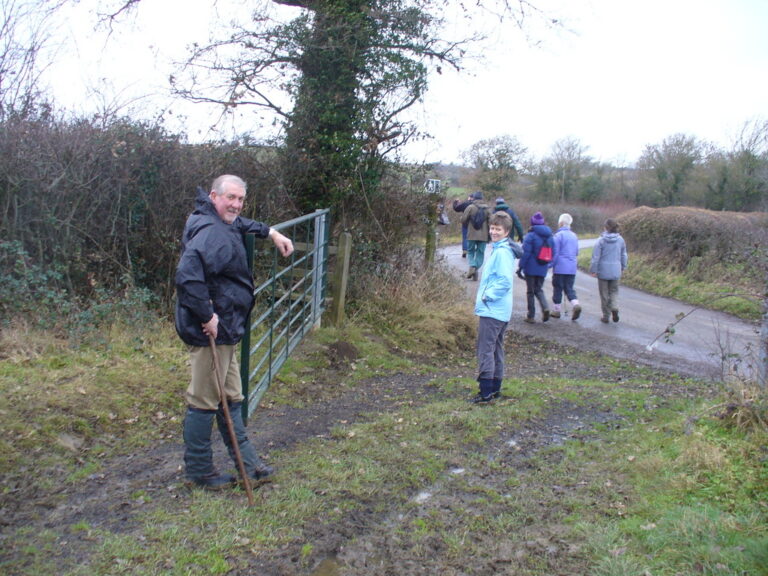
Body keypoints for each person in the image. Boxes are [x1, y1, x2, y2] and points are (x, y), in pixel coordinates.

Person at [175, 174, 294, 490]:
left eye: (240, 199)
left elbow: (239, 223)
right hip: (210, 331)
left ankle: (248, 464)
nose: (236, 205)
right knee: (203, 398)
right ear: (214, 196)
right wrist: (207, 315)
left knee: (232, 396)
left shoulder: (219, 221)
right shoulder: (211, 232)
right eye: (231, 198)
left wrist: (271, 233)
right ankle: (200, 472)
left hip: (225, 326)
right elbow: (187, 276)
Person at [471, 211, 516, 404]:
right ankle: (495, 389)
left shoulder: (502, 253)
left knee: (486, 350)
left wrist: (487, 296)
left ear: (506, 232)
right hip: (498, 310)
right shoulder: (500, 250)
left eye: (498, 229)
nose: (493, 232)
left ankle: (486, 393)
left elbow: (504, 281)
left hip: (493, 309)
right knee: (496, 349)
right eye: (492, 228)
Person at [518, 211, 554, 323]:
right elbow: (553, 252)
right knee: (538, 289)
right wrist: (548, 264)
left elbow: (526, 253)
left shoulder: (530, 236)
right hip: (543, 267)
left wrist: (520, 266)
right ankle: (545, 307)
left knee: (530, 291)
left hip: (530, 268)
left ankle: (531, 316)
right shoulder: (550, 236)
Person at [589, 218, 628, 323]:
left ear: (605, 227)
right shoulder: (621, 240)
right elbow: (624, 255)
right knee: (614, 291)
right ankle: (614, 307)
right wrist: (623, 266)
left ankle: (606, 316)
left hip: (603, 271)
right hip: (616, 270)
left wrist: (593, 269)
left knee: (604, 294)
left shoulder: (600, 240)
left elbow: (595, 257)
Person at [551, 213, 582, 321]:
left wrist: (550, 264)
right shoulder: (574, 236)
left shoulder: (558, 236)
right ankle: (575, 304)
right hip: (571, 267)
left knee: (558, 288)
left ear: (560, 223)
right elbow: (576, 252)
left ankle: (556, 310)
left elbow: (555, 253)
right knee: (569, 288)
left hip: (560, 267)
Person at [460, 191, 491, 281]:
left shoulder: (470, 207)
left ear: (474, 198)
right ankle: (475, 268)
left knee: (470, 251)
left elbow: (463, 220)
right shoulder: (487, 209)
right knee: (480, 253)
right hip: (483, 236)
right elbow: (492, 221)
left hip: (471, 234)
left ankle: (472, 266)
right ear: (482, 198)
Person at [452, 193, 473, 258]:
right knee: (473, 238)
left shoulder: (465, 204)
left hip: (466, 222)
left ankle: (465, 250)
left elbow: (456, 208)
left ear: (469, 197)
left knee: (465, 237)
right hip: (475, 224)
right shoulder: (477, 205)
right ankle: (472, 251)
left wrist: (456, 202)